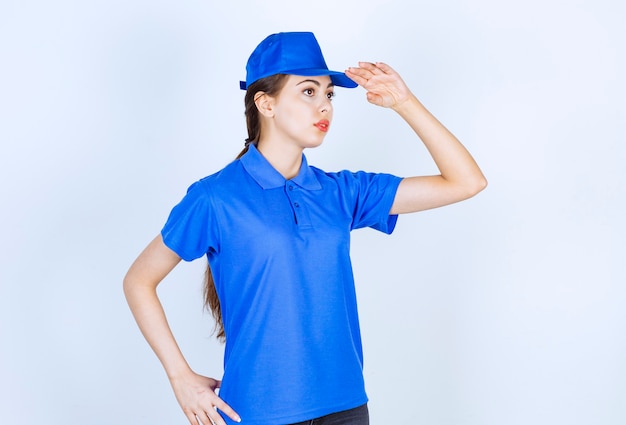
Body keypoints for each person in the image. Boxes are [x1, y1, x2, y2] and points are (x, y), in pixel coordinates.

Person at [123, 31, 486, 425]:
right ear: (266, 103)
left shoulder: (341, 192)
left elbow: (466, 182)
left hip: (346, 408)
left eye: (329, 94)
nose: (325, 106)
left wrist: (406, 104)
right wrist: (180, 377)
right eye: (308, 92)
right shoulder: (215, 197)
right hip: (257, 412)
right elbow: (139, 281)